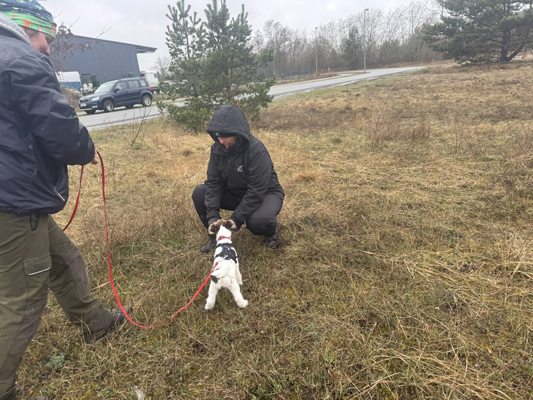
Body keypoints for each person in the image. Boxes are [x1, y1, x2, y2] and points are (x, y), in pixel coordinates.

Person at [0, 2, 130, 400]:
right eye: (46, 37)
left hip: (16, 196)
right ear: (27, 28)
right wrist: (84, 148)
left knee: (63, 258)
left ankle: (94, 321)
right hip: (12, 200)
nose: (47, 47)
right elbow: (59, 127)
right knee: (23, 299)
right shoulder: (19, 58)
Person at [192, 105, 285, 253]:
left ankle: (271, 232)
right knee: (200, 192)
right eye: (217, 136)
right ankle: (215, 236)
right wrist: (213, 216)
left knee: (258, 222)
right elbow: (214, 183)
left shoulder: (256, 150)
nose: (221, 141)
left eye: (225, 136)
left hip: (265, 194)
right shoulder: (217, 149)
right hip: (235, 193)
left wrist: (235, 220)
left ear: (238, 134)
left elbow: (256, 191)